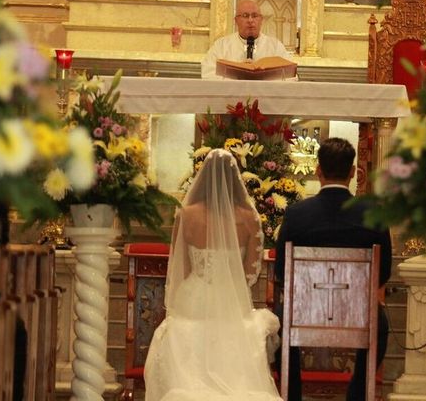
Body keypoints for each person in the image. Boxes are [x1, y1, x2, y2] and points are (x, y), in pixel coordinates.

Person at [144, 149, 282, 401]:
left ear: (203, 176)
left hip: (193, 296)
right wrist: (231, 285)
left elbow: (181, 267)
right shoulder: (249, 217)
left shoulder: (186, 214)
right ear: (235, 178)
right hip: (232, 298)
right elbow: (252, 272)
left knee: (182, 333)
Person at [274, 137, 393, 401]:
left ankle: (292, 395)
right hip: (359, 311)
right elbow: (384, 271)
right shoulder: (373, 213)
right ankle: (357, 395)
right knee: (380, 323)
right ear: (352, 172)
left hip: (302, 311)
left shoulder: (297, 214)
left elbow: (282, 271)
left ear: (318, 171)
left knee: (280, 320)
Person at [201, 0, 292, 79]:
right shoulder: (221, 46)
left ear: (261, 20)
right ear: (236, 20)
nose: (250, 20)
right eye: (245, 16)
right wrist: (238, 76)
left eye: (254, 15)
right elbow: (208, 73)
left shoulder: (275, 46)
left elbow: (290, 76)